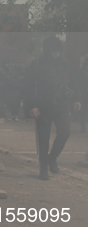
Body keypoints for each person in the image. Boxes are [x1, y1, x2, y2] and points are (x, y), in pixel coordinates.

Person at [24, 36, 81, 180]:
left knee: (65, 132)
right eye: (53, 51)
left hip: (62, 105)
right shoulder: (37, 64)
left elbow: (73, 83)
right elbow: (28, 87)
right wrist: (31, 106)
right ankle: (43, 167)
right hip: (42, 107)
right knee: (43, 139)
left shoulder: (65, 64)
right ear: (47, 50)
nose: (56, 53)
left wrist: (77, 99)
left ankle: (52, 158)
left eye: (58, 51)